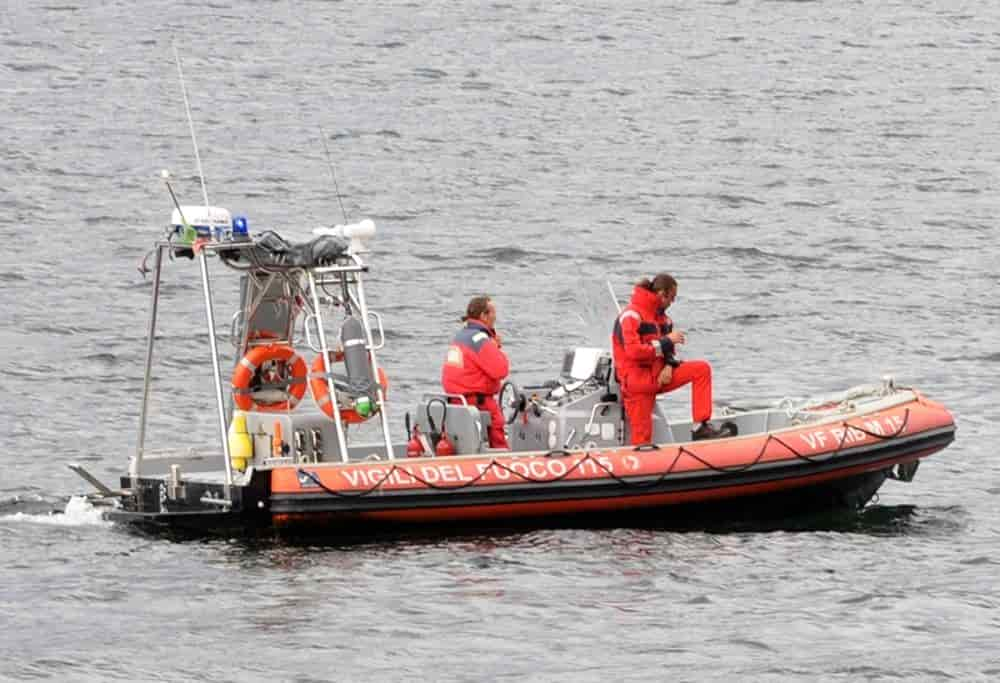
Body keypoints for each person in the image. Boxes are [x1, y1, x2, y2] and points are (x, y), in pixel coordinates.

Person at [611, 273, 728, 444]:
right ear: (661, 294)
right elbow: (634, 352)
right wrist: (666, 341)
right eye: (671, 298)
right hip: (638, 384)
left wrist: (668, 365)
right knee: (642, 438)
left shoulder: (664, 319)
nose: (672, 302)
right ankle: (643, 465)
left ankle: (700, 428)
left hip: (660, 376)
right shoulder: (631, 316)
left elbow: (669, 352)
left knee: (701, 370)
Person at [441, 295, 510, 449]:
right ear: (484, 316)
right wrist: (495, 347)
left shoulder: (460, 336)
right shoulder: (480, 340)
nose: (495, 317)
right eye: (493, 313)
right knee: (498, 440)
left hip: (456, 403)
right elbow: (501, 370)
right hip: (478, 404)